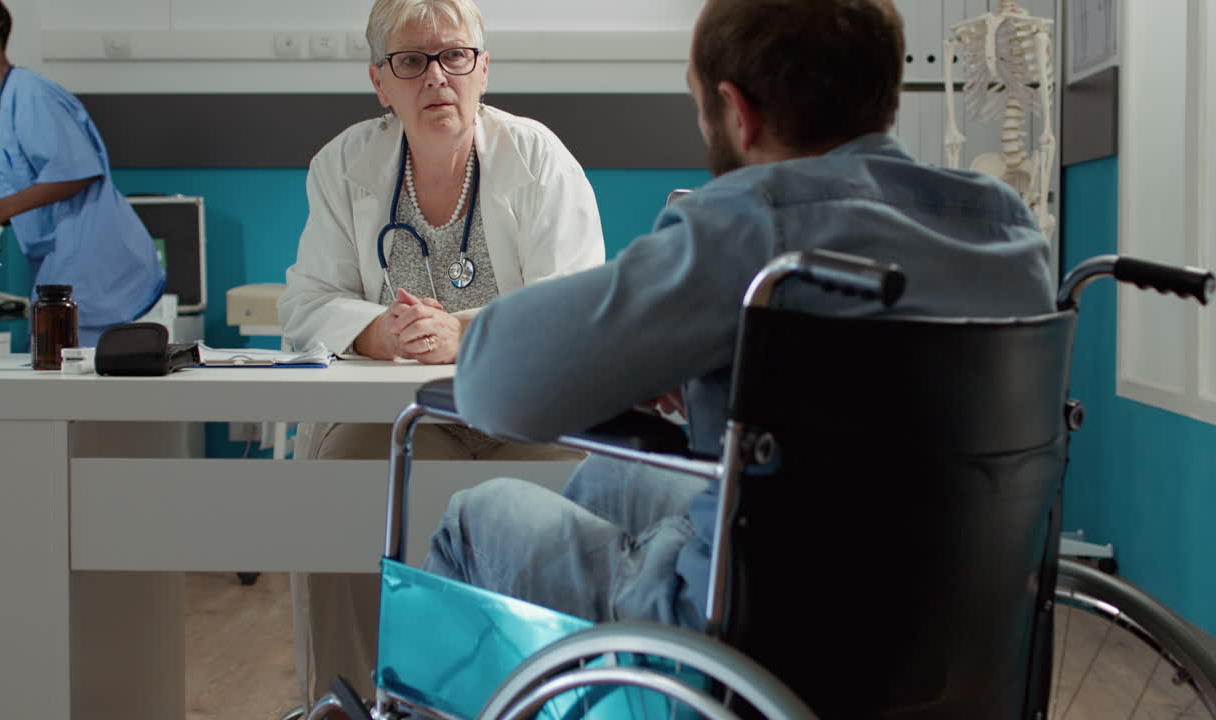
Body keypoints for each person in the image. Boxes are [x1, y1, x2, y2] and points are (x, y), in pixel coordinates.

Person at [423, 0, 1057, 634]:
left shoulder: (752, 224)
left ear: (739, 112)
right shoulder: (1007, 228)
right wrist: (715, 375)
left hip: (762, 628)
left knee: (473, 519)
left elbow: (492, 388)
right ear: (884, 94)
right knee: (614, 477)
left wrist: (481, 331)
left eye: (703, 108)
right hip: (957, 620)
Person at [276, 0, 604, 705]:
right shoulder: (343, 166)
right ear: (380, 82)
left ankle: (539, 702)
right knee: (340, 487)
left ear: (482, 70)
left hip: (524, 418)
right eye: (410, 60)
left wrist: (469, 332)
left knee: (579, 509)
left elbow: (577, 305)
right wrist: (373, 331)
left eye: (455, 56)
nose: (436, 77)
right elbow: (305, 301)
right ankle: (351, 702)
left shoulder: (537, 157)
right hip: (401, 418)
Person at [0, 0, 165, 347]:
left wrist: (0, 210)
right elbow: (20, 187)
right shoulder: (1, 104)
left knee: (72, 376)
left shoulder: (30, 93)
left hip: (87, 262)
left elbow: (77, 171)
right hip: (58, 265)